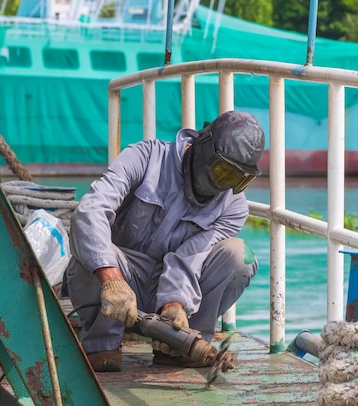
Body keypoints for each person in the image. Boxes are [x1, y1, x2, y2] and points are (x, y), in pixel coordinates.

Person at [63, 110, 265, 372]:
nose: (222, 185)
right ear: (203, 146)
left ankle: (180, 343)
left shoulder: (234, 207)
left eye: (237, 180)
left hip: (175, 288)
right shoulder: (146, 157)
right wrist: (111, 278)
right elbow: (90, 211)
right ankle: (103, 344)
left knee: (240, 256)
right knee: (88, 244)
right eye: (223, 172)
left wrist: (174, 304)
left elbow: (191, 257)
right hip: (118, 282)